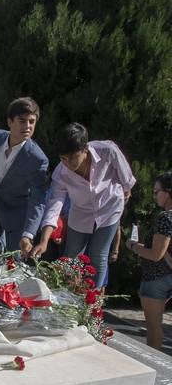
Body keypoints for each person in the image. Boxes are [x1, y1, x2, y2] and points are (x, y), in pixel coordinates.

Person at [31, 123, 135, 288]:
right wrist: (44, 241)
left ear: (85, 149)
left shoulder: (108, 150)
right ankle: (68, 297)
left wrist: (125, 191)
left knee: (98, 255)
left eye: (72, 157)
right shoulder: (61, 173)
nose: (68, 163)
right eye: (63, 158)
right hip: (80, 213)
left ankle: (91, 302)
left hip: (110, 208)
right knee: (71, 257)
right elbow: (54, 207)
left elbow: (126, 177)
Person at [0, 97, 48, 259]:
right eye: (22, 121)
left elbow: (38, 198)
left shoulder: (37, 158)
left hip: (15, 213)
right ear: (10, 122)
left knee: (13, 263)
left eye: (32, 121)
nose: (28, 126)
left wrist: (29, 233)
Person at [126, 171, 172, 350]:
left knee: (154, 327)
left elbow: (155, 254)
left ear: (168, 192)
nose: (154, 196)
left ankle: (155, 367)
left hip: (156, 277)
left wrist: (133, 246)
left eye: (156, 191)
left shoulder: (166, 217)